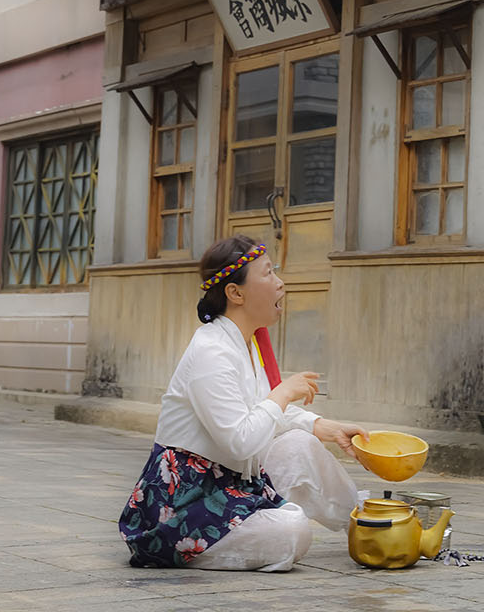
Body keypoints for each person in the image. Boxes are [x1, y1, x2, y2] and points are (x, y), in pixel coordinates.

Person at [119, 235, 367, 571]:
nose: (280, 283)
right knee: (292, 532)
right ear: (235, 293)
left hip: (234, 480)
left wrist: (325, 427)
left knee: (299, 444)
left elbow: (259, 409)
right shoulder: (211, 351)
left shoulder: (244, 343)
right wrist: (282, 393)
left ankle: (370, 525)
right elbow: (240, 440)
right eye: (268, 273)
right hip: (186, 500)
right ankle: (183, 546)